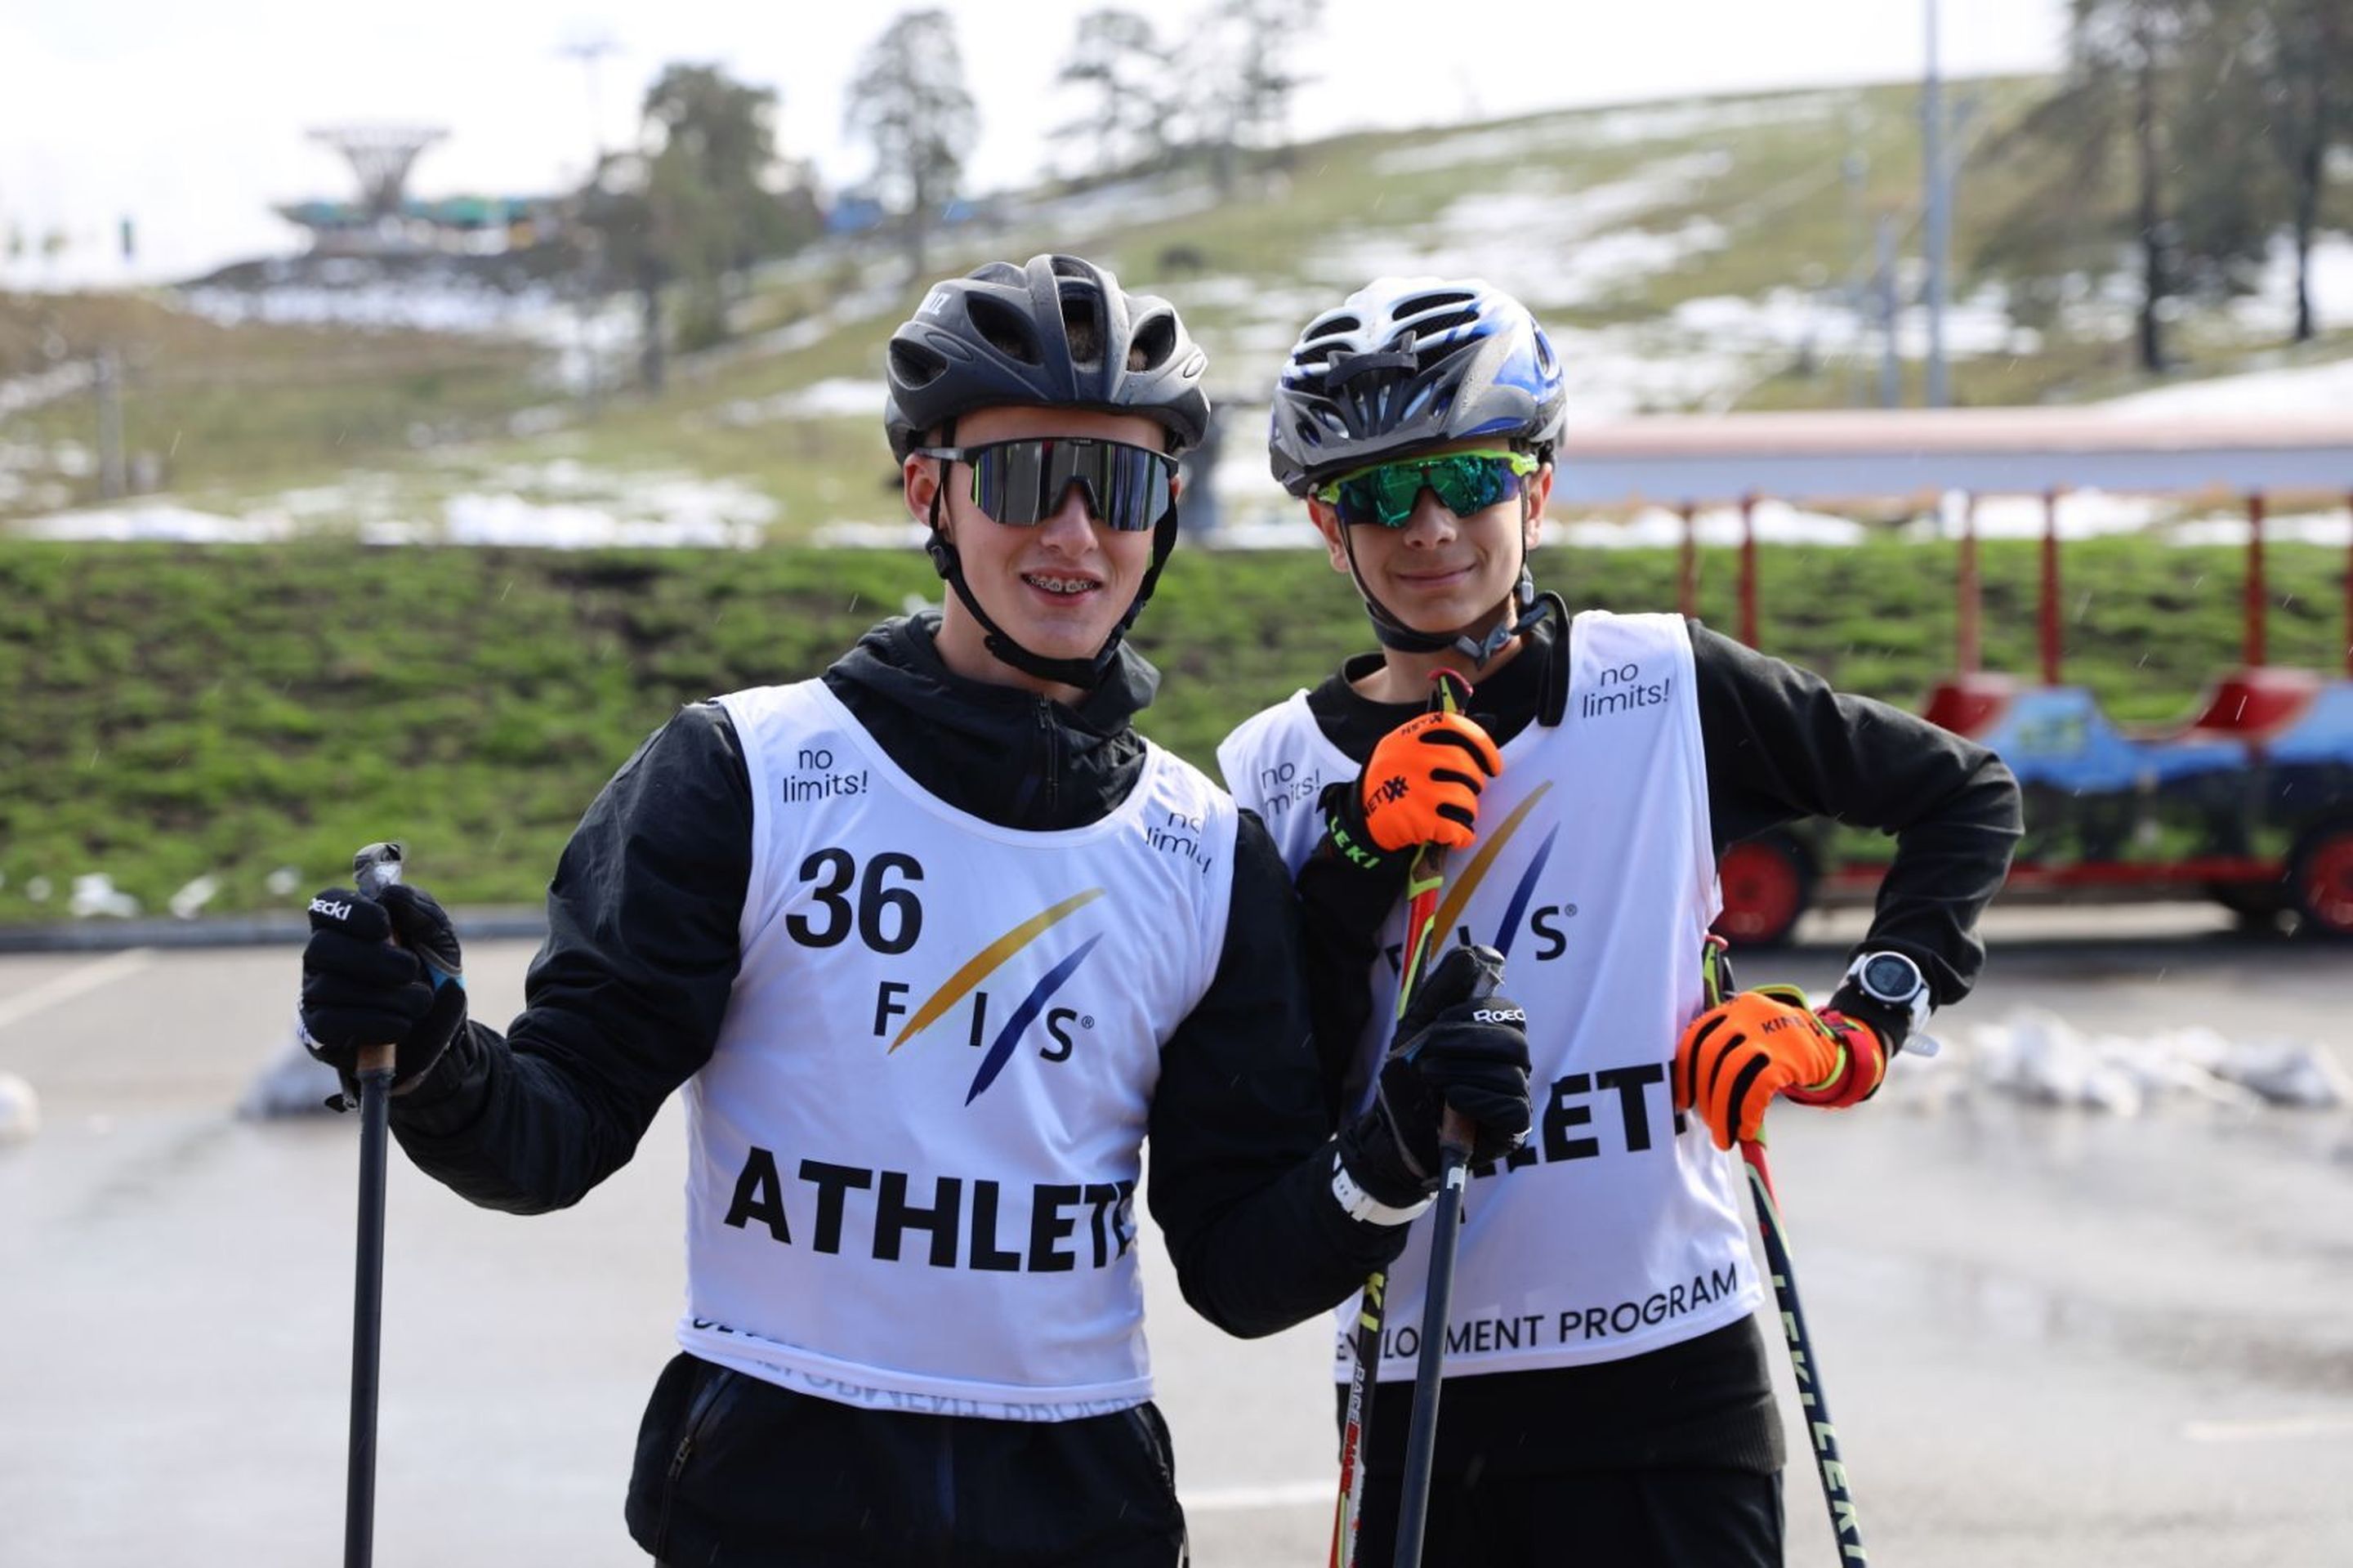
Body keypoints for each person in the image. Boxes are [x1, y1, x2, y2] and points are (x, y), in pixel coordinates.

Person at [292, 254, 1534, 1568]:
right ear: (927, 489)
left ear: (1166, 507)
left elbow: (1238, 1268)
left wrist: (1397, 1146)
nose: (1072, 534)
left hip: (1080, 1503)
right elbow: (549, 1137)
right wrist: (426, 1052)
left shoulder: (1203, 849)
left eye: (1115, 484)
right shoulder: (746, 774)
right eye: (1018, 479)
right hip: (777, 1493)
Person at [1217, 275, 2023, 1566]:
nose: (1429, 528)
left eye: (1470, 480)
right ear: (1328, 525)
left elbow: (1963, 796)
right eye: (1377, 495)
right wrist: (1360, 853)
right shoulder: (1267, 767)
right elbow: (1278, 1077)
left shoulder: (1660, 684)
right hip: (1429, 1379)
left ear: (1535, 490)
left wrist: (1857, 1024)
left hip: (1669, 1365)